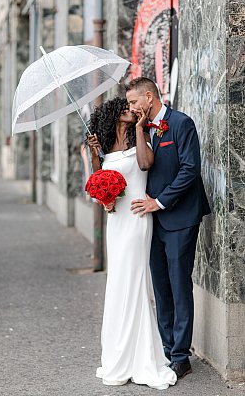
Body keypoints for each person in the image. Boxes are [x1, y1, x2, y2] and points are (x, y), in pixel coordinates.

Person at [86, 97, 177, 390]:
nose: (130, 109)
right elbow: (99, 182)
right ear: (114, 115)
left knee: (135, 282)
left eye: (131, 107)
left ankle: (141, 357)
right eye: (124, 108)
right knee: (118, 284)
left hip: (138, 217)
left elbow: (144, 163)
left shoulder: (142, 135)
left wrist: (139, 128)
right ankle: (118, 355)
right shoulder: (103, 146)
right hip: (117, 221)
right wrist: (93, 154)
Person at [126, 77, 211, 379]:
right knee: (160, 287)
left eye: (134, 102)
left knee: (178, 284)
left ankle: (181, 356)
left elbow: (190, 169)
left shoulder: (181, 123)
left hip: (181, 218)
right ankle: (167, 349)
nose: (131, 108)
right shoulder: (143, 129)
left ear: (149, 97)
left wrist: (159, 202)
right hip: (153, 222)